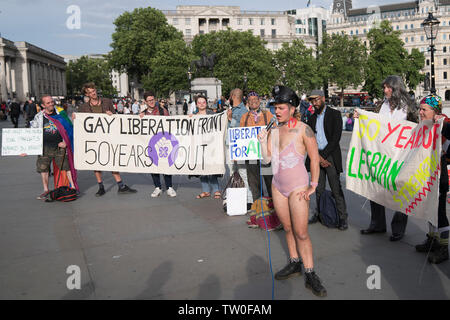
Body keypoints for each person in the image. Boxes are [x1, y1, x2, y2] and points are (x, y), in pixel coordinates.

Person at [258, 85, 326, 297]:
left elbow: (314, 158)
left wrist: (313, 185)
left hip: (298, 187)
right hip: (278, 186)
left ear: (292, 108)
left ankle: (310, 272)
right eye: (275, 108)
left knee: (301, 232)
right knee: (287, 228)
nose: (276, 112)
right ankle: (295, 262)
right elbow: (268, 159)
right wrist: (262, 142)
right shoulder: (275, 129)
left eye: (280, 108)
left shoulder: (303, 129)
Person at [358, 75, 418, 241]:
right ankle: (377, 224)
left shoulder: (409, 108)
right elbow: (373, 123)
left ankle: (398, 228)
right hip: (381, 154)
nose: (385, 91)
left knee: (399, 191)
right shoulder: (380, 106)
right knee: (375, 188)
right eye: (384, 88)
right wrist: (361, 117)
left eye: (388, 88)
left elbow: (416, 128)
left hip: (400, 155)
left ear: (396, 88)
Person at [75, 82, 137, 196]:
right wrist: (75, 118)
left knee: (112, 160)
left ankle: (120, 185)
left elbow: (115, 118)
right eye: (90, 92)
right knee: (96, 163)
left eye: (93, 91)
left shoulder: (107, 101)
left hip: (108, 137)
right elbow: (81, 124)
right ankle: (101, 186)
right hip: (94, 139)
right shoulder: (83, 107)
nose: (93, 94)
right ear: (86, 94)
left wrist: (111, 114)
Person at [414, 94, 449, 264]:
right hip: (426, 172)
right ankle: (432, 239)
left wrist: (447, 157)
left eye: (423, 109)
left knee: (440, 211)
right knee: (429, 208)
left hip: (439, 173)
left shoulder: (444, 123)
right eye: (419, 109)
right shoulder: (424, 125)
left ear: (435, 111)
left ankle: (444, 247)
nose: (420, 112)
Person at [307, 89, 348, 231]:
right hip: (316, 156)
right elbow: (309, 140)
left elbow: (336, 138)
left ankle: (342, 217)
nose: (315, 103)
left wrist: (323, 156)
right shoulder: (311, 118)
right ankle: (320, 214)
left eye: (317, 100)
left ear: (323, 99)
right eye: (312, 101)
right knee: (318, 188)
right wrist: (318, 157)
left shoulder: (334, 114)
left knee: (336, 188)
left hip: (330, 155)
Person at [25, 95, 79, 199]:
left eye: (52, 102)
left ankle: (73, 187)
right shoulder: (39, 116)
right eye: (48, 103)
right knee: (43, 169)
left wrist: (65, 142)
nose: (51, 104)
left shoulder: (61, 114)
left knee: (67, 167)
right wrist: (25, 149)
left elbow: (69, 129)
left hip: (59, 147)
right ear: (43, 105)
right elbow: (32, 132)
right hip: (44, 147)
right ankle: (46, 190)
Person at [139, 91, 176, 198]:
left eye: (153, 100)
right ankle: (157, 187)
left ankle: (169, 187)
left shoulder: (162, 111)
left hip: (163, 142)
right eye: (149, 100)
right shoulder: (143, 113)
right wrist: (139, 118)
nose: (151, 102)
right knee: (154, 164)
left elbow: (170, 124)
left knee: (166, 164)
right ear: (145, 102)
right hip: (151, 143)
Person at [240, 91, 274, 202]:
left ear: (259, 101)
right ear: (248, 103)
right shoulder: (244, 117)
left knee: (270, 181)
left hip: (266, 154)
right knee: (254, 183)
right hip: (251, 155)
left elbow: (275, 130)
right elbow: (240, 135)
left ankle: (274, 206)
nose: (253, 102)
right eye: (251, 100)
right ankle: (259, 207)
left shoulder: (267, 114)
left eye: (255, 100)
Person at [191, 95, 221, 199]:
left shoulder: (212, 114)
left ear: (206, 103)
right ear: (196, 104)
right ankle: (206, 190)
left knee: (211, 167)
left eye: (203, 102)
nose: (202, 104)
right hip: (199, 145)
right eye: (199, 102)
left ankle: (216, 189)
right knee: (202, 168)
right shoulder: (193, 116)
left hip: (211, 144)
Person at [227, 88, 253, 209]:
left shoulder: (242, 110)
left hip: (239, 147)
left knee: (243, 173)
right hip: (233, 146)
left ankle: (249, 200)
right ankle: (237, 197)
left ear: (232, 96)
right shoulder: (234, 110)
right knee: (234, 173)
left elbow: (241, 129)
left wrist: (230, 120)